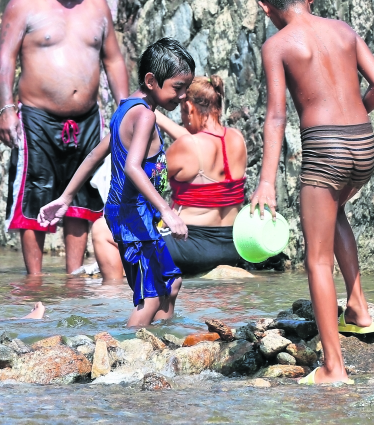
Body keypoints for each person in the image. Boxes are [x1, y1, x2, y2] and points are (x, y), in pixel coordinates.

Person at [250, 0, 374, 386]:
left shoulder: (278, 45)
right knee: (337, 213)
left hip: (325, 149)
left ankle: (333, 367)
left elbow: (276, 118)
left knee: (315, 259)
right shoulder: (344, 30)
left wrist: (266, 182)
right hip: (363, 145)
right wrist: (353, 120)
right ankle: (359, 309)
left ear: (264, 7)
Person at [0, 0, 129, 275]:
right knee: (35, 193)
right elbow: (6, 57)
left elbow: (113, 59)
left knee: (82, 197)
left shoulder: (96, 5)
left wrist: (127, 109)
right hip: (36, 117)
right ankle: (35, 281)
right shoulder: (26, 1)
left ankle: (73, 276)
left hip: (87, 118)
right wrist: (6, 108)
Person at [40, 38, 194, 327]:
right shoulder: (145, 115)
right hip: (131, 212)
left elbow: (94, 155)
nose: (183, 96)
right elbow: (133, 167)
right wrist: (167, 211)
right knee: (150, 296)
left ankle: (163, 344)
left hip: (132, 212)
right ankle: (124, 353)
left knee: (171, 283)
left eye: (186, 88)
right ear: (151, 80)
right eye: (177, 87)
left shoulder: (128, 108)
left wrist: (65, 198)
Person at [81, 76, 250, 279]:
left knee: (102, 229)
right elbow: (198, 142)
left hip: (192, 248)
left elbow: (144, 179)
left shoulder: (187, 146)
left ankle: (116, 298)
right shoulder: (237, 139)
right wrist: (154, 114)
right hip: (231, 246)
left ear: (189, 107)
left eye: (182, 109)